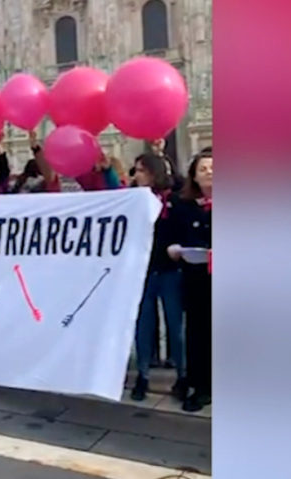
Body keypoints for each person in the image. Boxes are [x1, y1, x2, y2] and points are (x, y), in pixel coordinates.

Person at [130, 153, 186, 401]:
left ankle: (183, 376)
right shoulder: (133, 200)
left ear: (153, 172)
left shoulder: (174, 200)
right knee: (143, 325)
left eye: (141, 170)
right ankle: (142, 375)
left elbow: (182, 231)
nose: (136, 175)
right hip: (143, 271)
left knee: (176, 326)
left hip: (170, 271)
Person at [166, 150, 212, 412]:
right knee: (195, 331)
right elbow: (172, 235)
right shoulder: (182, 204)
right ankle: (196, 381)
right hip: (195, 278)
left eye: (214, 167)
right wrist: (174, 248)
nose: (209, 172)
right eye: (203, 168)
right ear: (194, 175)